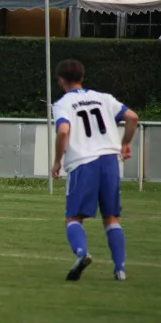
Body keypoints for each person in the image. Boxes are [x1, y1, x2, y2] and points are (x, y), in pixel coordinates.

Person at [51, 59, 138, 282]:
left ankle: (81, 253)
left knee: (73, 217)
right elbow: (132, 117)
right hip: (109, 161)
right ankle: (120, 269)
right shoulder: (104, 98)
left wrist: (57, 160)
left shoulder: (63, 103)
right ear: (82, 76)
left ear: (61, 81)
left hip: (83, 162)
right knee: (111, 217)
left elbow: (63, 131)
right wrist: (125, 143)